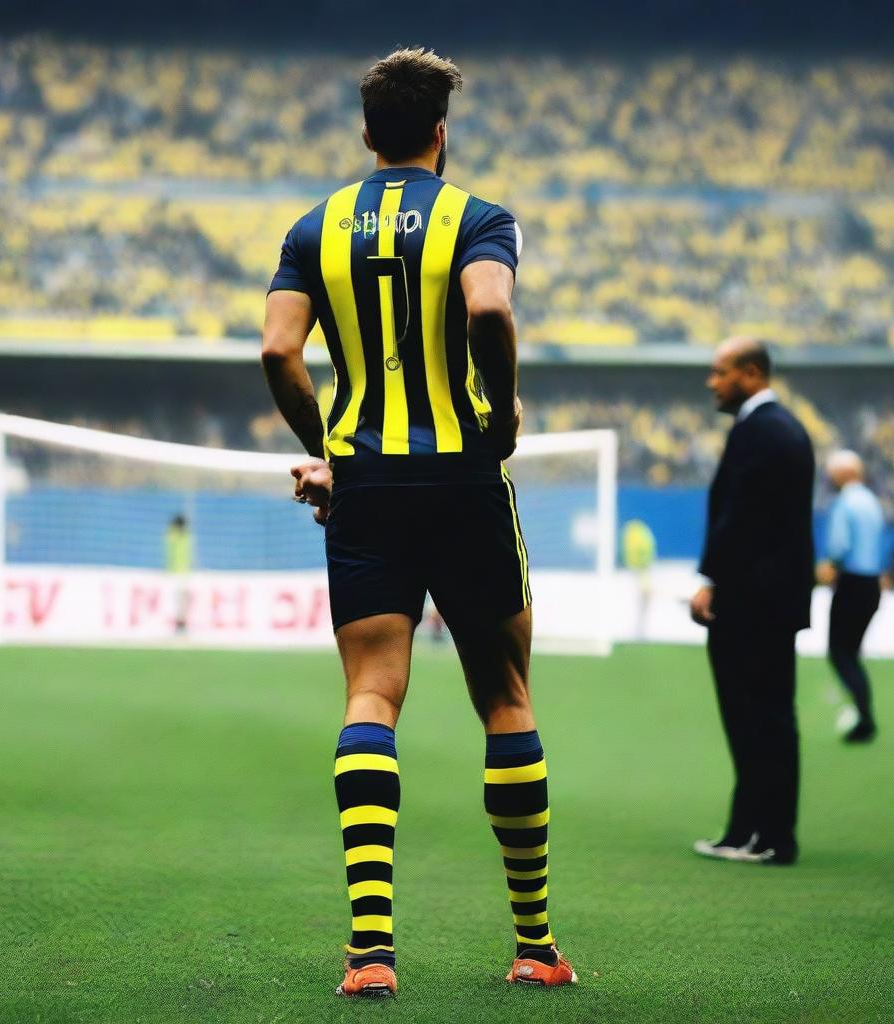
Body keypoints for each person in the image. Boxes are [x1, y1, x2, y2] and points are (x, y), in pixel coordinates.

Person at [261, 48, 575, 997]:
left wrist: (333, 449)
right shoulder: (479, 218)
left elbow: (278, 349)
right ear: (444, 132)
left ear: (368, 132)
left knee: (371, 696)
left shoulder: (315, 228)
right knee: (506, 696)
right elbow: (487, 308)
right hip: (465, 476)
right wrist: (503, 408)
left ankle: (370, 956)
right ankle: (533, 944)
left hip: (369, 489)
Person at [689, 337, 814, 866]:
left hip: (753, 604)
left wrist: (710, 578)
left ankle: (770, 836)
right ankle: (748, 829)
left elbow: (739, 518)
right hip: (766, 601)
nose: (712, 382)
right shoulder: (775, 428)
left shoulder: (763, 431)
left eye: (721, 372)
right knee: (757, 716)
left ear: (753, 373)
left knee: (759, 716)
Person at [817, 450, 884, 743]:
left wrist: (825, 568)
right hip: (870, 584)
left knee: (840, 652)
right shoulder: (871, 501)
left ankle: (864, 717)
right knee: (852, 653)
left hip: (851, 584)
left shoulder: (844, 503)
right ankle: (863, 714)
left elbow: (839, 547)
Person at [621, 518, 656, 640]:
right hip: (637, 572)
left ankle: (639, 629)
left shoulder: (636, 535)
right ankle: (637, 629)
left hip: (641, 573)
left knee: (644, 596)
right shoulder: (638, 535)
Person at [164, 514, 193, 634]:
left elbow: (169, 540)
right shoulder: (186, 536)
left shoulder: (176, 535)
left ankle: (180, 625)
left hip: (178, 573)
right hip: (181, 573)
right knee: (180, 601)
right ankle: (179, 625)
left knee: (180, 601)